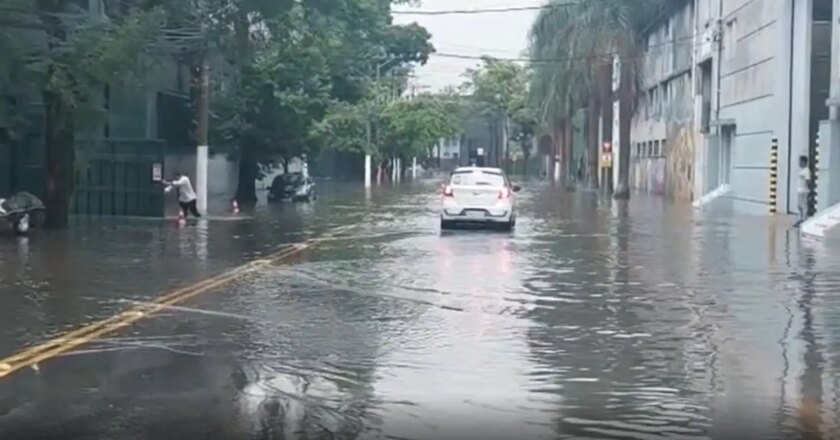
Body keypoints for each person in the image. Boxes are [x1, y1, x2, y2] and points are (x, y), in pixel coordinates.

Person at [796, 155, 811, 225]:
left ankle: (804, 219)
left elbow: (808, 181)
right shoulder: (802, 170)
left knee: (804, 205)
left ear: (804, 162)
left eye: (800, 161)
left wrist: (809, 189)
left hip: (804, 190)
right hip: (800, 190)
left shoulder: (807, 170)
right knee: (799, 205)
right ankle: (800, 218)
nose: (799, 163)